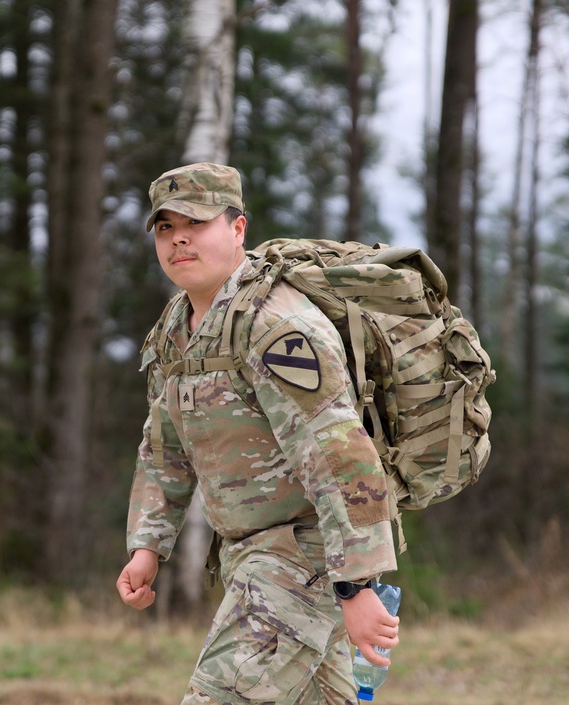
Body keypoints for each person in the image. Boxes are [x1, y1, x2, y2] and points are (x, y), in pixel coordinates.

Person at [115, 163, 400, 705]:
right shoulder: (177, 327)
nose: (178, 238)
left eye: (196, 222)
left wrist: (357, 585)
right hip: (250, 557)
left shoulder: (277, 325)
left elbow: (338, 452)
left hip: (303, 559)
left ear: (238, 228)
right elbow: (164, 446)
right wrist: (148, 546)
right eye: (165, 226)